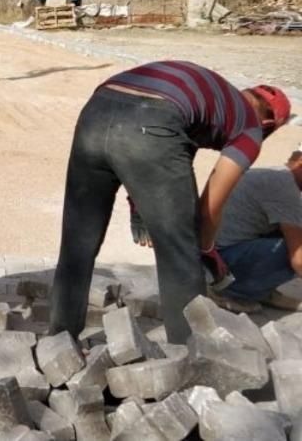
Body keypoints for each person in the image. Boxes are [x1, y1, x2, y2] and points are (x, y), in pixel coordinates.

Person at [49, 61, 291, 343]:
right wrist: (205, 248)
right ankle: (190, 354)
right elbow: (210, 205)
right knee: (180, 254)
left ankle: (59, 340)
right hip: (154, 118)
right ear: (268, 125)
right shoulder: (250, 127)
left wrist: (138, 207)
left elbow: (156, 158)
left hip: (97, 109)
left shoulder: (216, 99)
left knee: (78, 241)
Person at [208, 148, 302, 313]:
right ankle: (230, 293)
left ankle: (261, 290)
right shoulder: (284, 186)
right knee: (295, 247)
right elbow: (298, 259)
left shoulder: (276, 174)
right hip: (220, 264)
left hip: (214, 256)